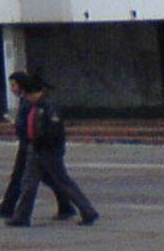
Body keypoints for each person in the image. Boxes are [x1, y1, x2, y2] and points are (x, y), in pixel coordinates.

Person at [5, 74, 99, 227]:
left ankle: (88, 211)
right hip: (35, 149)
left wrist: (44, 145)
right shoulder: (37, 106)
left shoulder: (49, 106)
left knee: (63, 182)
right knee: (28, 184)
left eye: (28, 96)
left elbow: (54, 132)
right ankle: (21, 216)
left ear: (33, 93)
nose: (27, 99)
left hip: (48, 151)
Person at [0, 70, 73, 221]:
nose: (12, 89)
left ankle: (11, 210)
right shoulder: (27, 100)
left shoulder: (32, 101)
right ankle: (67, 206)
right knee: (47, 178)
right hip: (31, 145)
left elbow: (37, 124)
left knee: (33, 179)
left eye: (14, 85)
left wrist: (22, 129)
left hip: (34, 146)